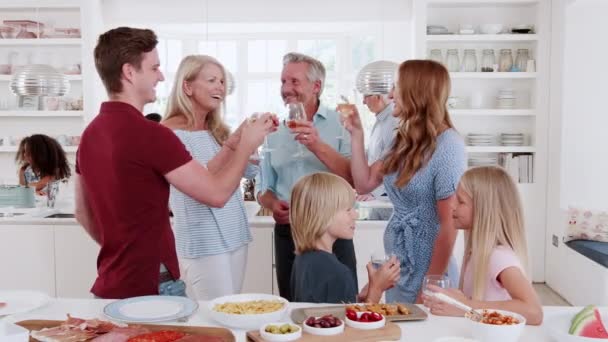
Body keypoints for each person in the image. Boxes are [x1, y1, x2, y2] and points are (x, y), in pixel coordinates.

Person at [74, 27, 275, 299]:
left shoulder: (90, 134)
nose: (161, 76)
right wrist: (247, 145)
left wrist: (123, 254)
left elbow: (83, 214)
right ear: (129, 73)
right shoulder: (152, 134)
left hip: (113, 280)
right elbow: (215, 194)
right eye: (154, 68)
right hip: (152, 281)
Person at [343, 59, 466, 303]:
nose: (390, 95)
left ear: (415, 92)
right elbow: (364, 183)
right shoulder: (402, 140)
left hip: (429, 273)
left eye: (396, 87)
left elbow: (447, 227)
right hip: (399, 268)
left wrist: (429, 287)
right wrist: (357, 134)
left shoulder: (449, 146)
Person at [257, 52, 357, 301]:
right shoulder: (274, 131)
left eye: (294, 81)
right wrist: (272, 205)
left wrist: (316, 145)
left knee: (343, 304)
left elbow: (354, 179)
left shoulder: (342, 124)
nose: (286, 89)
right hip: (288, 232)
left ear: (316, 86)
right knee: (291, 305)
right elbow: (263, 186)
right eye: (283, 82)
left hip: (332, 232)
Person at [162, 55, 260, 300]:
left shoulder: (217, 130)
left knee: (232, 310)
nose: (220, 87)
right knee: (215, 316)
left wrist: (252, 143)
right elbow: (202, 182)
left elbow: (248, 172)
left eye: (222, 81)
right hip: (202, 238)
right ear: (187, 86)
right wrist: (242, 146)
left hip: (234, 232)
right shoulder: (168, 133)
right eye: (212, 80)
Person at [422, 166, 543, 325]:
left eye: (461, 201)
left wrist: (466, 306)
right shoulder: (475, 253)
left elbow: (534, 312)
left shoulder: (498, 257)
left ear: (483, 209)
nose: (452, 205)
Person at [290, 172, 400, 303]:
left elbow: (325, 313)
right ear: (323, 215)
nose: (355, 215)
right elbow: (353, 323)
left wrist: (361, 298)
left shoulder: (304, 259)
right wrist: (377, 289)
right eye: (348, 209)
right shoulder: (336, 272)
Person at [355, 93, 398, 220]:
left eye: (366, 97)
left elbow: (395, 165)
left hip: (388, 203)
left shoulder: (393, 122)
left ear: (378, 96)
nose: (363, 102)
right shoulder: (380, 121)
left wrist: (375, 193)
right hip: (378, 200)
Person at [16, 134, 71, 199]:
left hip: (52, 204)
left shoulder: (54, 171)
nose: (25, 155)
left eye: (29, 152)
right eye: (24, 151)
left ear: (41, 154)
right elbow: (21, 192)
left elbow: (39, 185)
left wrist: (29, 190)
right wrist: (32, 192)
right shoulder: (24, 170)